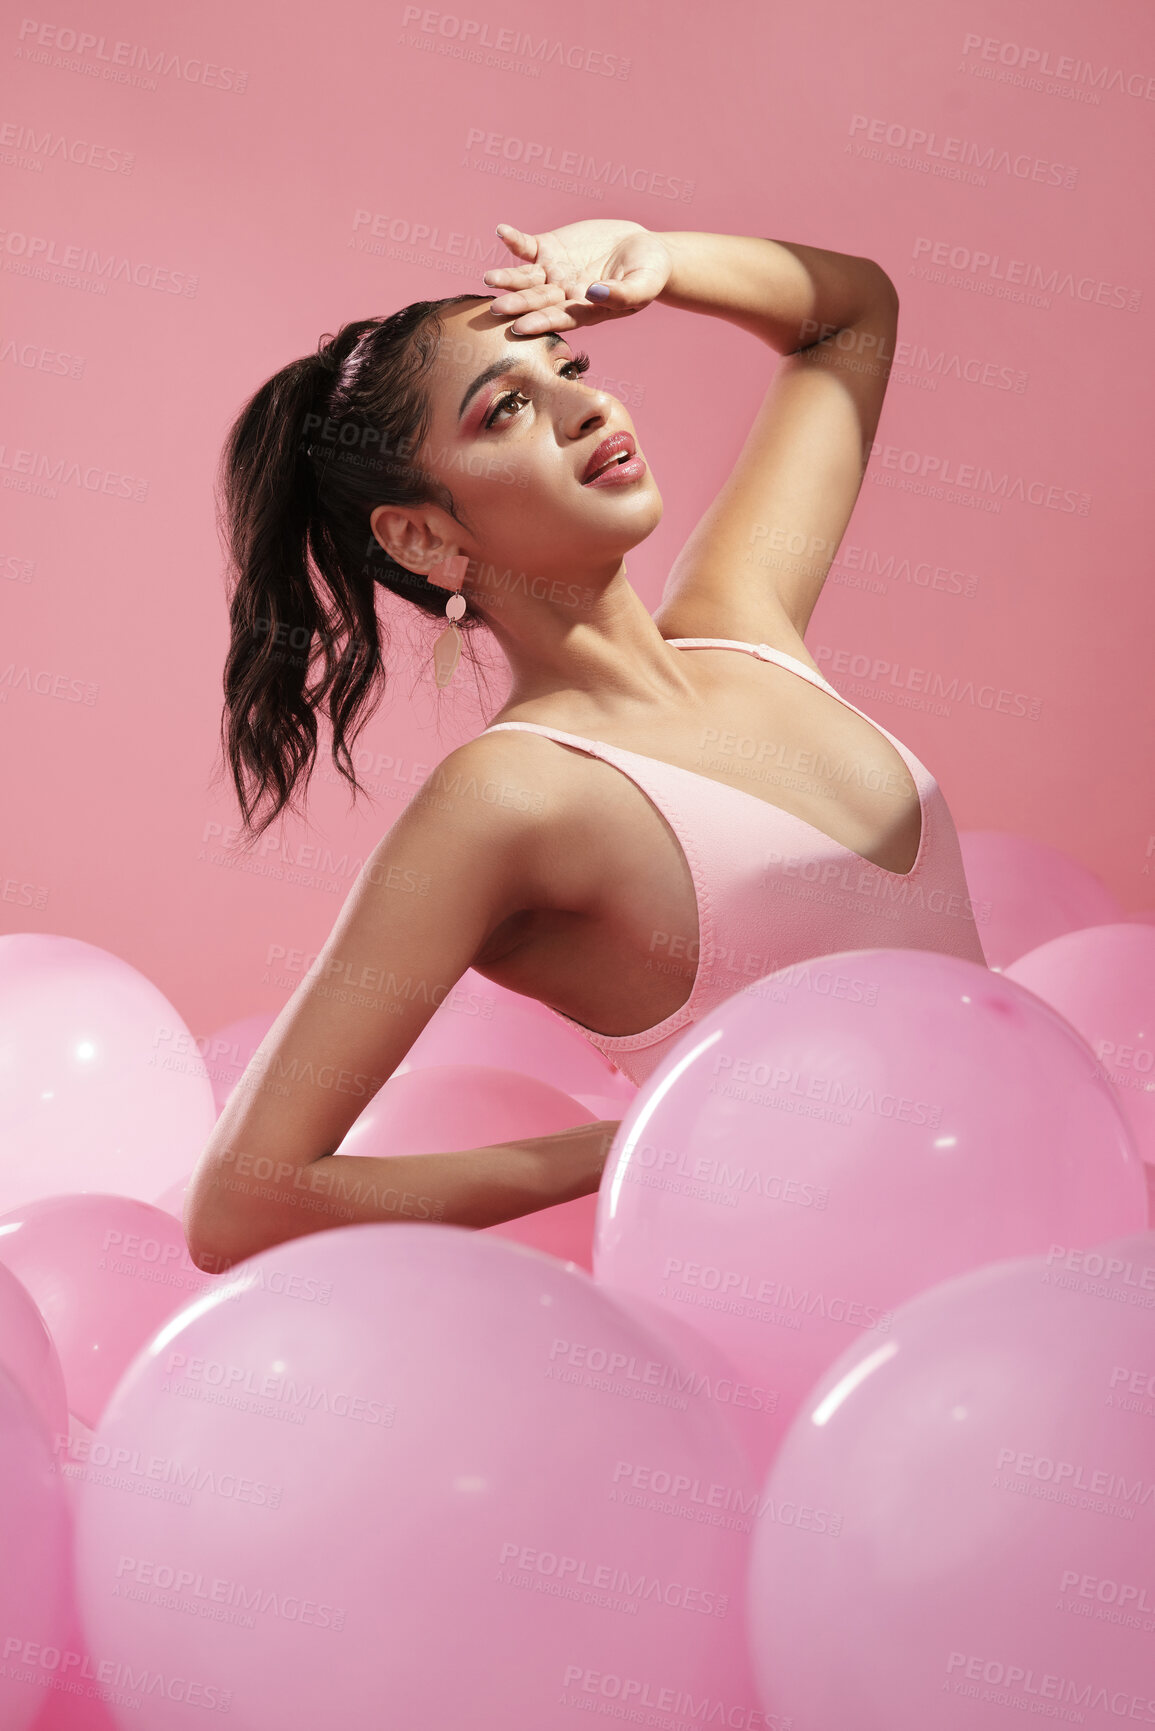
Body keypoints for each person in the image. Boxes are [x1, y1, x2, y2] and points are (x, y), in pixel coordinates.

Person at [184, 219, 986, 1274]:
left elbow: (850, 319)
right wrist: (640, 1142)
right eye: (508, 407)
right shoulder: (511, 796)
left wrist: (656, 257)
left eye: (570, 364)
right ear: (422, 536)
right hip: (854, 1313)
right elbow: (244, 1206)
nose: (586, 406)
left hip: (1063, 1214)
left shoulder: (745, 620)